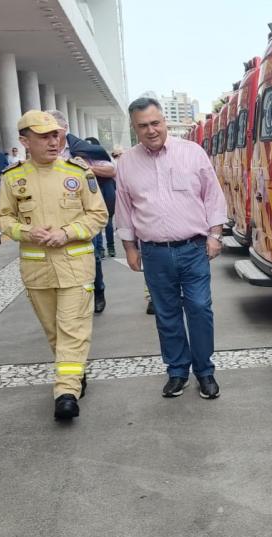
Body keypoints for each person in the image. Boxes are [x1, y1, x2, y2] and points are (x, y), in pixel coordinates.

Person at [0, 110, 108, 420]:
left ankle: (66, 392)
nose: (53, 141)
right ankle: (74, 371)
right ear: (24, 141)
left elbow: (98, 215)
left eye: (56, 134)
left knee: (72, 329)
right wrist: (26, 232)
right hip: (36, 269)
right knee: (54, 332)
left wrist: (67, 233)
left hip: (75, 265)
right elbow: (2, 218)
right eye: (44, 136)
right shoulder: (12, 177)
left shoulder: (79, 172)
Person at [115, 97, 227, 399]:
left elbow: (212, 196)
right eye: (143, 126)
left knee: (200, 309)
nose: (151, 130)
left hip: (193, 249)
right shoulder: (126, 163)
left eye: (156, 123)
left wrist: (215, 234)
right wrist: (129, 247)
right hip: (154, 253)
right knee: (166, 314)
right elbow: (124, 209)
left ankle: (205, 372)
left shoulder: (192, 153)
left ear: (164, 121)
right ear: (134, 128)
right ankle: (177, 371)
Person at [47, 110, 115, 313]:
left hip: (83, 214)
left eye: (54, 132)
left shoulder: (83, 149)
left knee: (90, 255)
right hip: (53, 215)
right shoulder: (40, 152)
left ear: (65, 129)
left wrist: (85, 169)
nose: (50, 138)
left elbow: (111, 170)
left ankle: (98, 291)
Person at [85, 136, 117, 259]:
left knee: (108, 222)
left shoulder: (105, 158)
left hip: (107, 191)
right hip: (92, 191)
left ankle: (111, 246)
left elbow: (113, 171)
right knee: (95, 221)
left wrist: (91, 169)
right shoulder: (83, 159)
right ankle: (99, 249)